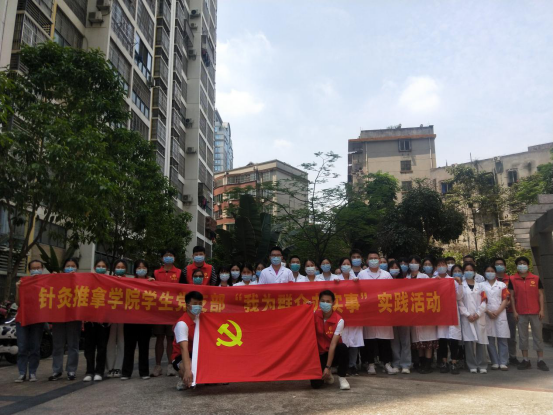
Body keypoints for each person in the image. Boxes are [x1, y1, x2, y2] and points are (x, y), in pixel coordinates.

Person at [359, 251, 396, 375]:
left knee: (384, 340)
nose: (373, 260)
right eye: (371, 258)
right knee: (369, 339)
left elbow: (392, 291)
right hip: (368, 311)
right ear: (367, 260)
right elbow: (358, 291)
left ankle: (387, 364)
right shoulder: (362, 274)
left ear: (380, 261)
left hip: (383, 310)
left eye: (376, 258)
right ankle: (370, 364)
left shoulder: (386, 274)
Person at [508, 256, 549, 371]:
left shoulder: (535, 278)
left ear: (528, 265)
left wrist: (541, 310)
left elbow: (540, 294)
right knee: (523, 336)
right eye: (520, 264)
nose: (522, 265)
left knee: (538, 336)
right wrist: (514, 311)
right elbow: (512, 296)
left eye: (524, 263)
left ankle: (540, 360)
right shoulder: (513, 279)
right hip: (520, 312)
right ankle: (525, 360)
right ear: (517, 266)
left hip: (535, 312)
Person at [121, 260, 155, 380]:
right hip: (130, 319)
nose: (141, 269)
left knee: (144, 346)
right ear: (135, 270)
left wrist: (154, 283)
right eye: (139, 267)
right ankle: (126, 372)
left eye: (144, 267)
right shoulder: (129, 282)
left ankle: (144, 372)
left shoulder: (152, 282)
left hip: (145, 320)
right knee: (129, 347)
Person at [49, 258, 81, 381]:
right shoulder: (57, 279)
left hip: (74, 317)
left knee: (73, 345)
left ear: (77, 268)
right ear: (63, 268)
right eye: (68, 266)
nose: (70, 268)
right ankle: (56, 370)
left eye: (73, 266)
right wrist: (52, 278)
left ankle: (71, 370)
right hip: (59, 316)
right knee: (58, 344)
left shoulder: (81, 280)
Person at [311, 290, 350, 390]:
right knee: (315, 385)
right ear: (319, 302)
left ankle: (342, 378)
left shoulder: (339, 320)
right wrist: (307, 307)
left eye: (328, 301)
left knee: (343, 348)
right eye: (323, 301)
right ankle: (328, 375)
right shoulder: (314, 315)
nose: (325, 304)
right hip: (319, 354)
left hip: (333, 352)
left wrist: (328, 367)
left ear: (333, 303)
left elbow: (333, 344)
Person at [151, 249, 182, 377]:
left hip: (173, 311)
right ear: (162, 258)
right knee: (159, 338)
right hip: (159, 311)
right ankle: (158, 366)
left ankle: (170, 365)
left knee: (170, 338)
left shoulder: (179, 272)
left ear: (174, 258)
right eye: (166, 255)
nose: (168, 257)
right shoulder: (155, 273)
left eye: (171, 255)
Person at [14, 260, 46, 383]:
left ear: (42, 269)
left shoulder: (46, 283)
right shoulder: (23, 282)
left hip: (37, 320)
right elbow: (18, 303)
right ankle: (22, 373)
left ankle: (32, 372)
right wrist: (18, 288)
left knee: (35, 347)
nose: (36, 270)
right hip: (22, 319)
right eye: (33, 268)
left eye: (38, 267)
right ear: (29, 270)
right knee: (22, 347)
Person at [331, 257, 363, 376]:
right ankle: (342, 366)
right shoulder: (335, 279)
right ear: (340, 266)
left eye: (348, 264)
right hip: (340, 315)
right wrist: (335, 285)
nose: (346, 266)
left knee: (354, 342)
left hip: (354, 313)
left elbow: (364, 293)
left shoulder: (356, 279)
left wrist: (358, 284)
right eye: (344, 264)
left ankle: (352, 365)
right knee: (342, 342)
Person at [407, 255, 438, 374]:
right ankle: (421, 363)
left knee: (428, 340)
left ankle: (428, 364)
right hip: (413, 313)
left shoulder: (425, 277)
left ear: (419, 265)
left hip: (425, 312)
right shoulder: (406, 278)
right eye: (411, 262)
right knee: (418, 341)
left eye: (416, 262)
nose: (413, 264)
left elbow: (431, 292)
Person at [82, 260, 111, 382]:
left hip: (104, 321)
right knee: (89, 347)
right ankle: (89, 371)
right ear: (94, 268)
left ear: (107, 268)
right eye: (98, 266)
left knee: (102, 347)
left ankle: (99, 371)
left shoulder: (110, 281)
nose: (101, 268)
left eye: (103, 266)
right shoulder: (88, 280)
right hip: (90, 320)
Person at [458, 263, 488, 374]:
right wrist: (467, 314)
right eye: (466, 270)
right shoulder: (462, 286)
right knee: (469, 343)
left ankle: (482, 364)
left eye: (471, 270)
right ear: (463, 272)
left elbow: (485, 301)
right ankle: (472, 365)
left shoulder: (481, 286)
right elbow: (459, 301)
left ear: (474, 272)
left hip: (479, 317)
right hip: (467, 318)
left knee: (481, 342)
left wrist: (478, 313)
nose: (468, 272)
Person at [434, 260, 463, 375]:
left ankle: (454, 363)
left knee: (454, 339)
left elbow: (459, 296)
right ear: (436, 267)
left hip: (452, 312)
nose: (441, 267)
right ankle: (444, 362)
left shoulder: (452, 280)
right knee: (442, 339)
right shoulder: (433, 280)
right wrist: (435, 283)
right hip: (440, 312)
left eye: (443, 265)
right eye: (439, 265)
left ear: (447, 267)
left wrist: (460, 283)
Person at [172, 291, 203, 391]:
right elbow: (183, 348)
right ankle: (183, 375)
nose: (198, 306)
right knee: (192, 372)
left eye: (200, 303)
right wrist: (187, 370)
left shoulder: (202, 319)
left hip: (198, 354)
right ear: (188, 305)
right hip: (181, 356)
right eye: (195, 304)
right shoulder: (182, 324)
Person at [481, 265, 510, 371]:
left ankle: (503, 362)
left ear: (495, 272)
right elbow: (480, 300)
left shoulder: (502, 285)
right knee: (490, 339)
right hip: (487, 314)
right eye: (488, 271)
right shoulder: (481, 285)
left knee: (502, 338)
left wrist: (497, 312)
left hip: (500, 313)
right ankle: (494, 361)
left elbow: (506, 299)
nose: (490, 273)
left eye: (492, 271)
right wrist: (488, 312)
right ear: (484, 273)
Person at [388, 260, 411, 373]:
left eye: (396, 267)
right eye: (392, 267)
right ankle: (396, 363)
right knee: (394, 341)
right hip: (390, 314)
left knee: (405, 340)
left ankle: (406, 364)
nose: (394, 269)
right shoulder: (385, 281)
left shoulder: (406, 281)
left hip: (404, 313)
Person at [106, 259, 127, 378]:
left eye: (122, 267)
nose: (120, 269)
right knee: (110, 341)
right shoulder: (109, 280)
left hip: (124, 316)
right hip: (111, 315)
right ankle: (110, 367)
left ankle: (118, 367)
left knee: (121, 341)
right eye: (118, 267)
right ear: (114, 269)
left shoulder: (129, 281)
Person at [494, 257, 518, 365]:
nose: (499, 266)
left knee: (511, 336)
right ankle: (498, 358)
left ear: (505, 266)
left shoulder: (511, 279)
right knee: (496, 336)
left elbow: (515, 295)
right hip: (495, 312)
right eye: (497, 264)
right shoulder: (491, 279)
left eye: (501, 264)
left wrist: (507, 304)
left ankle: (512, 356)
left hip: (509, 311)